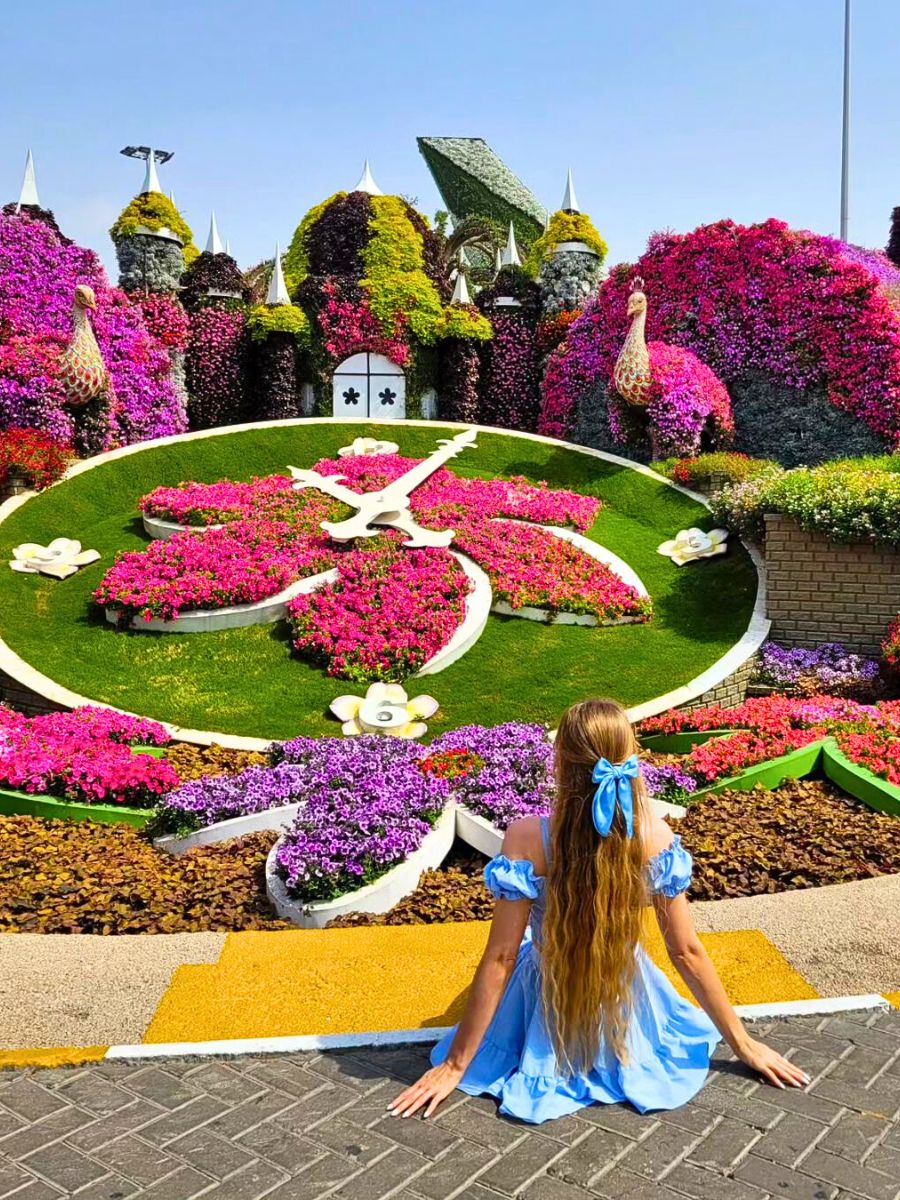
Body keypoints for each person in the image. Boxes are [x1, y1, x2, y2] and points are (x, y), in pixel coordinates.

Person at [389, 697, 808, 1124]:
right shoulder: (654, 836)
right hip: (626, 1002)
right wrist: (742, 1044)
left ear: (561, 763)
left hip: (545, 1000)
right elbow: (686, 951)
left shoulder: (526, 838)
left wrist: (457, 1065)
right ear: (631, 757)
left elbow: (502, 957)